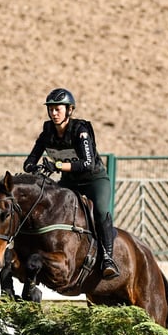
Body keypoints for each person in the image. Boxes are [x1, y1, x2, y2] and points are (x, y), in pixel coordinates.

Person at [22, 88, 119, 279]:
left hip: (94, 181)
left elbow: (87, 163)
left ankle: (108, 258)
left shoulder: (80, 131)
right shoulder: (47, 132)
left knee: (100, 211)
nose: (54, 113)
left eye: (58, 109)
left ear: (70, 110)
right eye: (51, 109)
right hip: (69, 182)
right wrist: (33, 167)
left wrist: (56, 165)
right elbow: (29, 161)